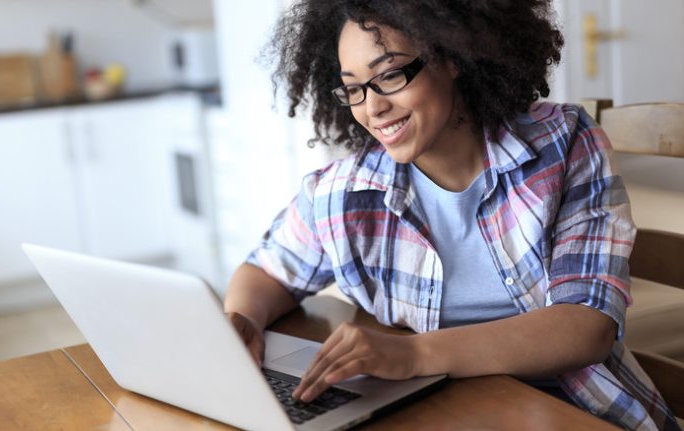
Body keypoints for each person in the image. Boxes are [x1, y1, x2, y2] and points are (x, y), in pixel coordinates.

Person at [223, 1, 680, 430]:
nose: (372, 107)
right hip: (445, 412)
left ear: (453, 56)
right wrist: (241, 320)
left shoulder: (564, 144)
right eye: (354, 88)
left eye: (391, 75)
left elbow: (587, 325)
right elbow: (266, 271)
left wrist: (413, 355)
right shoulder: (344, 191)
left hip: (575, 411)